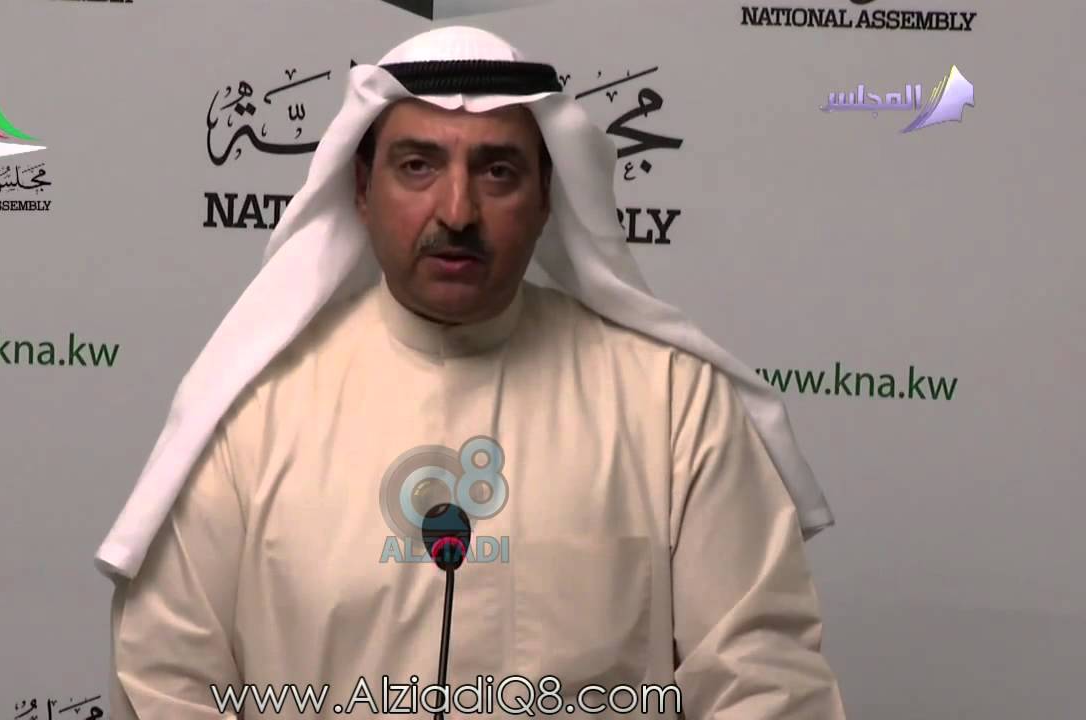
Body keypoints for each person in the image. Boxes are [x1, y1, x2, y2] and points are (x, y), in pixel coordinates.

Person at [102, 26, 845, 719]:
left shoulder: (672, 401)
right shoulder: (253, 407)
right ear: (362, 189)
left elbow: (763, 679)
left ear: (547, 196)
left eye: (497, 171)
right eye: (418, 165)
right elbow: (168, 674)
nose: (457, 210)